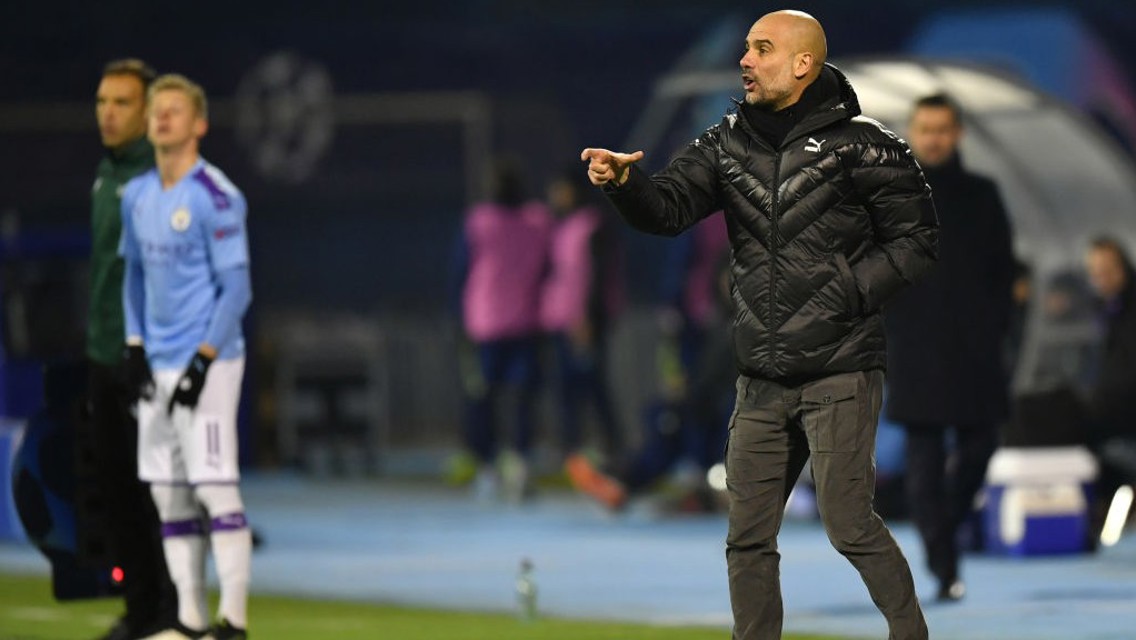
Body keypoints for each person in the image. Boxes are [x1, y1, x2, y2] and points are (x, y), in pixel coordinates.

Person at [581, 10, 937, 639]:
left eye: (761, 49)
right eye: (745, 48)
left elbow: (916, 240)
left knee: (849, 526)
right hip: (762, 378)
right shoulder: (725, 142)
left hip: (840, 369)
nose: (744, 60)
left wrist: (849, 292)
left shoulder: (867, 144)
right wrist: (626, 183)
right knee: (746, 538)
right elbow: (666, 210)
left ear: (803, 64)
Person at [121, 74, 253, 640]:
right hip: (158, 364)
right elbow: (132, 276)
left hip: (211, 361)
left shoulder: (216, 196)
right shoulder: (137, 196)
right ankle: (191, 622)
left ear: (199, 124)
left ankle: (234, 623)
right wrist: (134, 346)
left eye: (175, 111)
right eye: (157, 111)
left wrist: (202, 361)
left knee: (215, 486)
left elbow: (238, 290)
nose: (162, 119)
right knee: (168, 492)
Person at [883, 93, 1015, 602]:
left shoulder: (984, 194)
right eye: (925, 129)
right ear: (914, 134)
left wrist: (998, 328)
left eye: (942, 129)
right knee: (924, 466)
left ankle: (948, 533)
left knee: (980, 451)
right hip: (916, 349)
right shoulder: (893, 196)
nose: (934, 137)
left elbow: (1004, 271)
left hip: (976, 351)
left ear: (957, 133)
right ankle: (943, 564)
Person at [87, 58, 178, 640]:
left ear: (147, 113)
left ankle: (171, 613)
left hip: (144, 357)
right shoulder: (105, 174)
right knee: (116, 489)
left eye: (121, 103)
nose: (108, 113)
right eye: (101, 102)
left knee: (159, 493)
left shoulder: (160, 177)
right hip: (101, 352)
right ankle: (139, 609)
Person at [456, 157, 552, 502]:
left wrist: (460, 317)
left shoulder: (478, 221)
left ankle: (490, 469)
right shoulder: (538, 221)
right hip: (524, 323)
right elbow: (548, 268)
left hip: (487, 325)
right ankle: (516, 465)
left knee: (485, 399)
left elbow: (461, 270)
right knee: (520, 399)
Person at [540, 169, 625, 463]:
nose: (555, 196)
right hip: (562, 320)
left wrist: (587, 318)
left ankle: (611, 446)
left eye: (560, 189)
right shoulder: (562, 226)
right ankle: (571, 450)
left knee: (592, 384)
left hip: (585, 322)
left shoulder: (592, 224)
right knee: (566, 388)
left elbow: (596, 277)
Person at [1083, 237, 1136, 501]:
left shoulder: (1128, 312)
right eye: (1096, 273)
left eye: (1107, 271)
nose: (1101, 279)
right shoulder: (1104, 310)